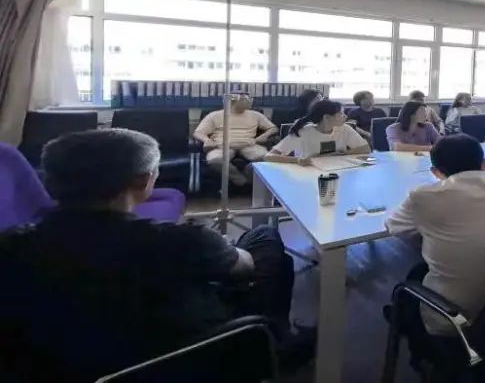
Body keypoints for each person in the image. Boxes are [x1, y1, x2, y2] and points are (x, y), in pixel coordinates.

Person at [0, 129, 311, 381]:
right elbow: (244, 266)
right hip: (180, 357)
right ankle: (276, 344)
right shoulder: (180, 241)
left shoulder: (12, 245)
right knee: (266, 242)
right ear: (143, 181)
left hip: (61, 363)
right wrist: (218, 246)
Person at [385, 135, 485, 334]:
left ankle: (406, 326)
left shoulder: (423, 197)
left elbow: (393, 226)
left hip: (460, 321)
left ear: (435, 172)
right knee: (420, 270)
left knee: (416, 276)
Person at [193, 93, 277, 186]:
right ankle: (242, 182)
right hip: (222, 145)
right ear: (234, 101)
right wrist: (207, 140)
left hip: (249, 144)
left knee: (267, 159)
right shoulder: (214, 115)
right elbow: (198, 133)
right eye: (246, 99)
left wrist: (265, 135)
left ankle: (248, 176)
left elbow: (273, 128)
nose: (250, 101)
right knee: (215, 160)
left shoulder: (256, 115)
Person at [266, 100, 371, 164]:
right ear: (327, 117)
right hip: (310, 173)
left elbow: (366, 149)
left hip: (338, 170)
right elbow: (269, 156)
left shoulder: (345, 128)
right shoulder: (304, 132)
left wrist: (342, 153)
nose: (345, 116)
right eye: (341, 114)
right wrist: (297, 160)